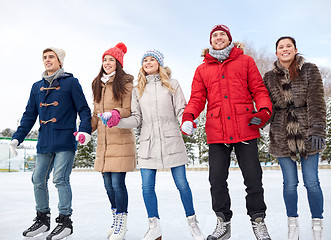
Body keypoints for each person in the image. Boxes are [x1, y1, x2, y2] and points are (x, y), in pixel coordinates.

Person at [181, 24, 273, 240]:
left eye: (222, 34)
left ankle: (258, 222)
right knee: (217, 180)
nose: (218, 37)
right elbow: (196, 98)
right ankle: (223, 222)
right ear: (210, 41)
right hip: (217, 131)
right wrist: (188, 116)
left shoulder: (246, 61)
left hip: (246, 127)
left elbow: (258, 89)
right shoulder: (202, 69)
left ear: (229, 39)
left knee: (253, 178)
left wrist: (264, 110)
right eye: (214, 35)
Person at [112, 49, 204, 240]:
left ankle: (193, 223)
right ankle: (154, 226)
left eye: (152, 59)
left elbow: (181, 110)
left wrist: (186, 122)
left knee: (182, 185)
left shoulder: (172, 84)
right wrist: (118, 121)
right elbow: (136, 119)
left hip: (172, 140)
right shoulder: (138, 89)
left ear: (159, 63)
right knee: (146, 187)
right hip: (148, 142)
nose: (148, 62)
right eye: (145, 60)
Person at [9, 47, 92, 240]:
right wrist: (17, 137)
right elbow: (29, 115)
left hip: (65, 140)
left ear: (60, 61)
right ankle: (42, 218)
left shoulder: (71, 83)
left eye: (51, 57)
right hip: (45, 141)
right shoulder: (36, 86)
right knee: (38, 179)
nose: (47, 60)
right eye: (44, 57)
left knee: (60, 179)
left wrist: (85, 130)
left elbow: (84, 110)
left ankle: (65, 222)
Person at [263, 36, 326, 240]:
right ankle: (293, 224)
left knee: (312, 181)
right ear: (276, 53)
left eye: (288, 46)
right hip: (281, 133)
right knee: (289, 183)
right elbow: (269, 107)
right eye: (281, 47)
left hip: (308, 130)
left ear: (295, 49)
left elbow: (317, 101)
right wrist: (260, 119)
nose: (285, 49)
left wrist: (317, 129)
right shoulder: (269, 77)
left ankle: (317, 224)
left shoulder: (309, 69)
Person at [91, 42, 136, 240]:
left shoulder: (125, 83)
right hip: (104, 142)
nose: (107, 63)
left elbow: (128, 109)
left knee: (118, 183)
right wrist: (84, 130)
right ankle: (115, 218)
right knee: (107, 185)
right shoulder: (98, 84)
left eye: (111, 59)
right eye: (105, 60)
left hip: (120, 138)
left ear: (118, 62)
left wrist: (115, 113)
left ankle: (121, 223)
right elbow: (95, 114)